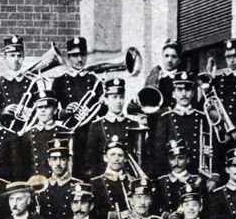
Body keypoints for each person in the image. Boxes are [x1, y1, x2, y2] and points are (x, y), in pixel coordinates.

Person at [154, 71, 221, 186]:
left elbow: (213, 148)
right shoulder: (165, 118)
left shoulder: (202, 117)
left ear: (194, 93)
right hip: (173, 176)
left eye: (188, 90)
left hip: (199, 176)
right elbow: (159, 152)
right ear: (173, 94)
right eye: (179, 90)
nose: (184, 94)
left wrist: (213, 176)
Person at [52, 36, 103, 178]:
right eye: (75, 55)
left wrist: (104, 102)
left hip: (92, 133)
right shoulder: (60, 81)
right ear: (68, 57)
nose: (79, 59)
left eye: (82, 55)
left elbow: (102, 112)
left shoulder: (95, 80)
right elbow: (51, 112)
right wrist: (64, 112)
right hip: (70, 134)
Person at [85, 78, 141, 178]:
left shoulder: (134, 124)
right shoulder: (96, 125)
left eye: (121, 97)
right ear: (106, 100)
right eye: (114, 97)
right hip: (104, 178)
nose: (119, 101)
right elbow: (91, 159)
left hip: (129, 177)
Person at [13, 89, 68, 180]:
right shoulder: (27, 135)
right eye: (40, 107)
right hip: (35, 184)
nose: (43, 111)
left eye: (47, 107)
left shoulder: (64, 133)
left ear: (54, 110)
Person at [151, 139, 205, 219]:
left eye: (180, 158)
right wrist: (167, 216)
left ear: (188, 160)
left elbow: (205, 208)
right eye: (172, 159)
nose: (176, 162)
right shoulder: (161, 182)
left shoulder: (196, 180)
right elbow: (154, 208)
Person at [0, 35, 32, 130]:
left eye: (19, 55)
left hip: (26, 130)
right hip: (3, 130)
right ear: (4, 57)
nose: (16, 59)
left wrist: (29, 112)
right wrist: (2, 111)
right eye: (12, 55)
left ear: (24, 57)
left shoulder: (30, 82)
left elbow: (38, 109)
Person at [36, 138, 82, 219]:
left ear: (68, 161)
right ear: (49, 162)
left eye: (62, 159)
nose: (58, 163)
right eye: (54, 159)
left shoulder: (77, 185)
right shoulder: (42, 186)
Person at [91, 135, 133, 219]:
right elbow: (93, 213)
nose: (116, 159)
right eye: (112, 154)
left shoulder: (132, 181)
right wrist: (117, 216)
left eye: (120, 155)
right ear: (105, 158)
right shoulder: (95, 183)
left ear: (125, 159)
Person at [143, 39, 182, 111]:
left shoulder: (181, 78)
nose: (169, 60)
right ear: (162, 57)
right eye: (166, 56)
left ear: (179, 60)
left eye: (174, 56)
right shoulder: (154, 76)